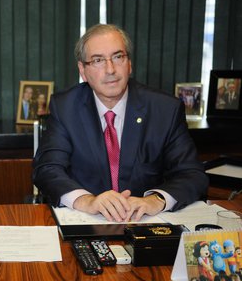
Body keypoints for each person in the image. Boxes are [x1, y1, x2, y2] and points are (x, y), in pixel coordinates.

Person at [33, 24, 208, 222]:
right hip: (86, 222)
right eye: (98, 60)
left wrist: (156, 200)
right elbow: (47, 169)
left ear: (129, 64)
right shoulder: (65, 107)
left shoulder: (165, 109)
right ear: (83, 70)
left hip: (144, 223)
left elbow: (192, 174)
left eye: (118, 57)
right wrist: (87, 200)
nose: (110, 70)